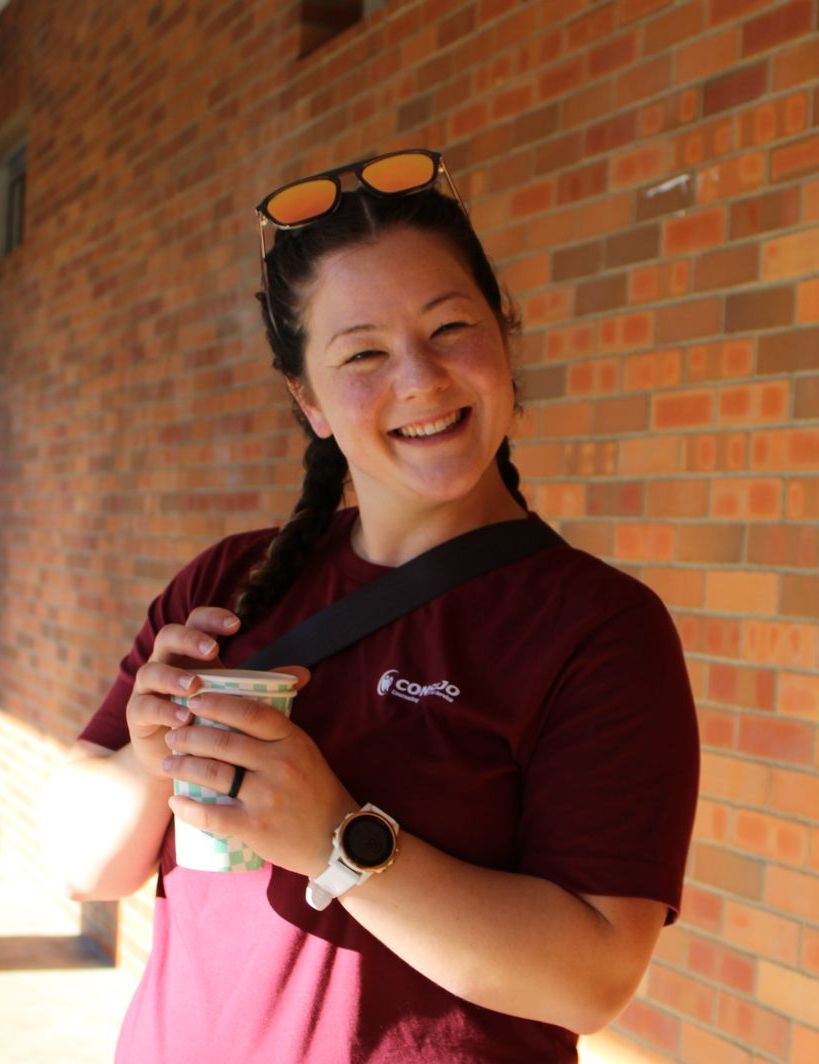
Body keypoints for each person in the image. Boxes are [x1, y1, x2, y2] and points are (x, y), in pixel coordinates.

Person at [52, 149, 699, 1063]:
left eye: (449, 329)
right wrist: (154, 757)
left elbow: (587, 979)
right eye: (362, 353)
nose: (421, 380)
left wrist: (334, 837)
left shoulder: (596, 628)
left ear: (504, 338)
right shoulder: (228, 587)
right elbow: (86, 866)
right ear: (307, 400)